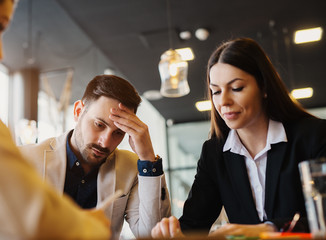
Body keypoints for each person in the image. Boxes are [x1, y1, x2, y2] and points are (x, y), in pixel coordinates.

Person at [151, 37, 326, 238]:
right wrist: (171, 233)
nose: (223, 101)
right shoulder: (214, 153)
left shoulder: (314, 136)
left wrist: (268, 229)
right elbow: (193, 224)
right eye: (215, 91)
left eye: (236, 88)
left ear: (265, 87)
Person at [0, 0, 111, 239]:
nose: (1, 52)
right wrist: (90, 227)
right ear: (78, 111)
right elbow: (31, 219)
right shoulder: (28, 154)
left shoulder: (128, 166)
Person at [19, 74, 171, 239]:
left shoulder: (131, 168)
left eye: (118, 133)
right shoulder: (25, 159)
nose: (105, 143)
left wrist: (148, 158)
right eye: (99, 125)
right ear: (78, 111)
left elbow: (153, 234)